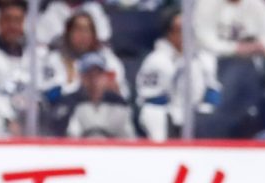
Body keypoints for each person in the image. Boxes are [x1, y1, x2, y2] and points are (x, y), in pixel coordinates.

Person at [135, 10, 220, 141]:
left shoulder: (203, 58)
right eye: (179, 30)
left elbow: (213, 91)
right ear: (169, 32)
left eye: (188, 30)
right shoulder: (156, 60)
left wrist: (203, 110)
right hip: (167, 113)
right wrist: (176, 111)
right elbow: (150, 98)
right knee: (152, 113)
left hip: (198, 113)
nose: (185, 35)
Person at [60, 52, 134, 137]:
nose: (94, 80)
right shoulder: (70, 102)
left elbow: (128, 136)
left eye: (98, 74)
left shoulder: (118, 102)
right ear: (82, 77)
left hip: (112, 149)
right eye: (89, 74)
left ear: (105, 76)